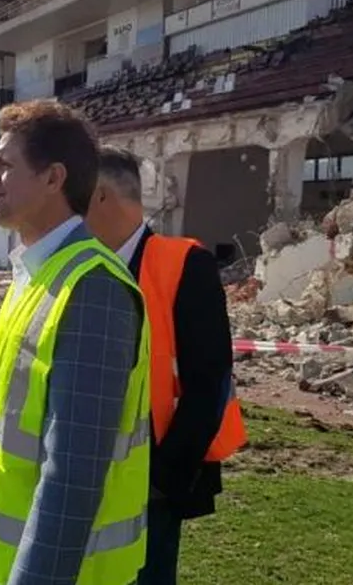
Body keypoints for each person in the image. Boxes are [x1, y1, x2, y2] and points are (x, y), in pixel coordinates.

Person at [0, 99, 152, 585]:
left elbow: (74, 474)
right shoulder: (35, 272)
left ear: (53, 178)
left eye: (5, 165)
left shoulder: (92, 289)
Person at [84, 145, 248, 585]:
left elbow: (209, 382)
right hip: (85, 476)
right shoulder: (82, 270)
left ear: (101, 196)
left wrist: (162, 479)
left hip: (151, 484)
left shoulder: (184, 265)